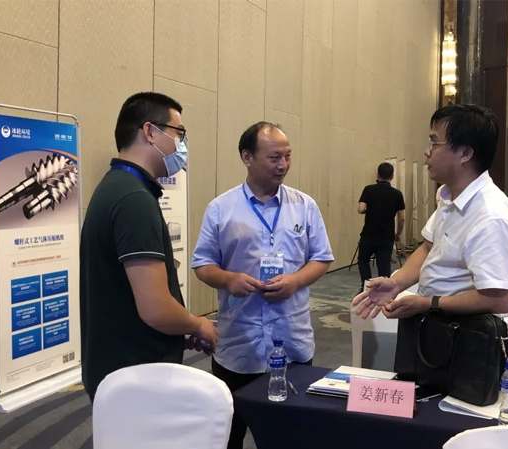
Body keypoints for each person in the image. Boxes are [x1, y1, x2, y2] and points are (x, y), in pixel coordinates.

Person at [192, 122, 334, 449]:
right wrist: (228, 279)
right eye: (274, 157)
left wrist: (295, 281)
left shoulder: (305, 206)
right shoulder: (221, 209)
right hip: (239, 346)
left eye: (288, 156)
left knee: (289, 435)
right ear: (247, 157)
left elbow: (321, 258)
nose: (283, 165)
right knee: (229, 434)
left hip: (292, 343)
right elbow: (202, 264)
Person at [80, 92, 217, 401]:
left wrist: (177, 327)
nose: (182, 145)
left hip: (121, 369)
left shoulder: (117, 187)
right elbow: (155, 307)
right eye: (179, 134)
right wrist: (198, 324)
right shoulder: (134, 200)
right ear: (150, 132)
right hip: (135, 377)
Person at [353, 104, 508, 325]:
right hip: (433, 322)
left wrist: (428, 303)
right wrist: (397, 283)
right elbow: (428, 247)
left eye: (434, 143)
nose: (427, 151)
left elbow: (500, 301)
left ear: (465, 153)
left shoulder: (491, 215)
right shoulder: (448, 195)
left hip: (462, 332)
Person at [356, 162, 406, 291]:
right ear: (392, 176)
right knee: (384, 265)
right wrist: (398, 234)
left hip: (369, 233)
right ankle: (383, 290)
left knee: (363, 260)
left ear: (378, 174)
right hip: (386, 235)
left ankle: (366, 287)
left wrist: (370, 210)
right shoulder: (397, 194)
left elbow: (360, 209)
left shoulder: (368, 189)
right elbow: (402, 218)